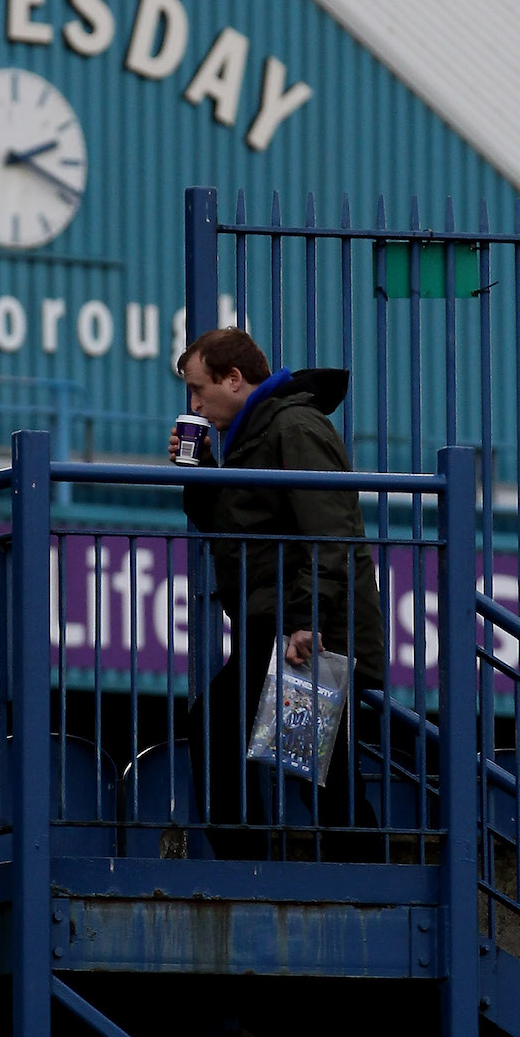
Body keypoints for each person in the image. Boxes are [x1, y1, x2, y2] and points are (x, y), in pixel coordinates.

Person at [170, 327, 385, 857]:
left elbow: (330, 529)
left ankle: (257, 870)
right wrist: (198, 473)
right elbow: (233, 523)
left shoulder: (293, 426)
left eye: (200, 388)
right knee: (320, 769)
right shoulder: (255, 433)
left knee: (225, 728)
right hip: (286, 626)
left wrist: (306, 618)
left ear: (235, 379)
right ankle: (363, 876)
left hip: (304, 631)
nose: (195, 402)